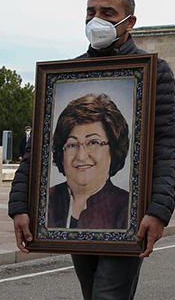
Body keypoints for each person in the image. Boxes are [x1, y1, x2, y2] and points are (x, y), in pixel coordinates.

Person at [8, 0, 175, 300]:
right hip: (70, 227)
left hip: (128, 220)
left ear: (129, 22)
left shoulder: (155, 72)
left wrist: (158, 210)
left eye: (107, 13)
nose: (96, 19)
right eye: (90, 11)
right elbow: (36, 148)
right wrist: (20, 205)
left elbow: (164, 146)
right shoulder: (65, 75)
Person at [47, 94, 131, 229]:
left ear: (114, 149)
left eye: (93, 142)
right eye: (72, 145)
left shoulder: (129, 208)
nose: (81, 156)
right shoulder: (44, 201)